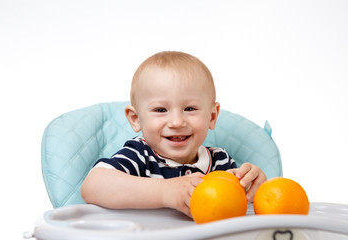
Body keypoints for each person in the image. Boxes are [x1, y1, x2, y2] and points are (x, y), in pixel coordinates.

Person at [81, 51, 266, 217]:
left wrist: (251, 187)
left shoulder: (220, 161)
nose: (177, 122)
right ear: (135, 118)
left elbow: (236, 215)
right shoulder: (140, 155)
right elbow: (92, 186)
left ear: (212, 116)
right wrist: (166, 192)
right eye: (161, 109)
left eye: (190, 108)